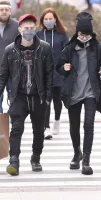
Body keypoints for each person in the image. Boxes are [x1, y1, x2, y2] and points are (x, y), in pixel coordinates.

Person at [0, 14, 54, 176]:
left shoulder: (44, 48)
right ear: (19, 29)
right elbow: (3, 76)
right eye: (26, 28)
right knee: (16, 129)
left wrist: (47, 98)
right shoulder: (10, 50)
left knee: (39, 131)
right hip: (19, 96)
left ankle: (36, 158)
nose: (29, 31)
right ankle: (14, 160)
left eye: (32, 28)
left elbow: (49, 74)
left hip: (38, 97)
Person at [58, 12, 101, 175]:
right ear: (77, 33)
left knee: (89, 125)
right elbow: (59, 67)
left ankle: (86, 160)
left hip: (91, 93)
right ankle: (76, 153)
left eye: (87, 34)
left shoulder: (98, 48)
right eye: (81, 34)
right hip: (73, 92)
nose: (84, 37)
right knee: (74, 126)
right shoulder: (69, 48)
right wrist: (64, 69)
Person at [36, 8, 69, 139]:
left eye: (51, 19)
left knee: (57, 100)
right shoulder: (38, 34)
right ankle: (46, 127)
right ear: (42, 21)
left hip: (59, 71)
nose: (48, 21)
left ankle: (56, 121)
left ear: (55, 20)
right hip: (44, 73)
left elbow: (67, 51)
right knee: (46, 101)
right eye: (46, 19)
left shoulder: (62, 34)